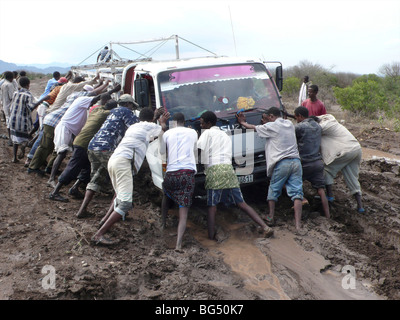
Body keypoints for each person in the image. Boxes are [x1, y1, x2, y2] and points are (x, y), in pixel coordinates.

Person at [91, 107, 170, 245]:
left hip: (114, 160)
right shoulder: (150, 126)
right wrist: (162, 122)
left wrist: (155, 117)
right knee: (126, 203)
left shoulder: (134, 127)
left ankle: (104, 220)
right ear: (152, 119)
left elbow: (149, 136)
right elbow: (162, 131)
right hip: (123, 163)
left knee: (118, 194)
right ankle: (99, 235)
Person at [197, 111, 274, 240]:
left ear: (208, 123)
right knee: (241, 203)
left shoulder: (206, 133)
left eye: (202, 122)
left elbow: (199, 152)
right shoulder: (225, 135)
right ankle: (265, 227)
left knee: (211, 206)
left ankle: (210, 237)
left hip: (214, 170)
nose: (201, 125)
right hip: (228, 169)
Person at [237, 107, 305, 234]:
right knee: (297, 193)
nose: (266, 120)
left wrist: (242, 122)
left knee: (273, 190)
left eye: (267, 117)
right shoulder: (289, 124)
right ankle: (298, 226)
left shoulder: (272, 126)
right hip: (296, 162)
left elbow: (253, 127)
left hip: (282, 163)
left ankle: (270, 216)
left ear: (272, 116)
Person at [75, 94, 139, 218]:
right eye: (132, 106)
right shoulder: (126, 111)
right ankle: (112, 216)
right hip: (106, 148)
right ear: (128, 104)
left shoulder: (112, 112)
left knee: (95, 179)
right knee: (122, 180)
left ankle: (82, 210)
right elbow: (137, 127)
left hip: (93, 146)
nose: (132, 109)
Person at [48, 93, 120, 202]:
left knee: (87, 167)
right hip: (84, 143)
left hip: (84, 142)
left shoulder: (96, 110)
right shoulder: (106, 114)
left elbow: (100, 103)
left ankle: (75, 187)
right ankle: (55, 192)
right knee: (73, 167)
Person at [27, 83, 100, 176]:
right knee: (46, 146)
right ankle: (33, 167)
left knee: (55, 147)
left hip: (53, 120)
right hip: (54, 121)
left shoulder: (73, 95)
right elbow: (94, 94)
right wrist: (106, 86)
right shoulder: (81, 97)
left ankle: (48, 167)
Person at [160, 112, 198, 251]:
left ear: (174, 122)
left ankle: (163, 223)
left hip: (171, 172)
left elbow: (162, 151)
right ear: (184, 121)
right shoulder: (192, 132)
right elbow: (194, 149)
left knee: (166, 194)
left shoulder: (167, 133)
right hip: (187, 173)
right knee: (184, 210)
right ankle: (178, 244)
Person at [315, 114, 365, 213]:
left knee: (327, 170)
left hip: (346, 151)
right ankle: (360, 206)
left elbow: (312, 129)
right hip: (356, 149)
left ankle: (329, 196)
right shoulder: (333, 122)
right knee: (352, 177)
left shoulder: (325, 126)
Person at [24, 77, 69, 167]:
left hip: (44, 108)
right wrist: (35, 105)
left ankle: (38, 157)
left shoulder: (56, 87)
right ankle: (30, 158)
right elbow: (48, 97)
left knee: (42, 134)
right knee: (42, 135)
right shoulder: (60, 89)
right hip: (45, 109)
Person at [294, 106, 330, 219]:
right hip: (318, 162)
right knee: (321, 190)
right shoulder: (317, 126)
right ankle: (328, 216)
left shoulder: (299, 127)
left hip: (304, 163)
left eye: (296, 117)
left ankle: (302, 206)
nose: (296, 120)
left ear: (300, 116)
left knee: (293, 184)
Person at [8, 77, 38, 163]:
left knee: (15, 139)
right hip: (23, 122)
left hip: (13, 120)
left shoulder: (15, 93)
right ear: (28, 84)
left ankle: (14, 158)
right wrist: (41, 100)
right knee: (25, 138)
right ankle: (23, 147)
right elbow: (31, 107)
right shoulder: (28, 95)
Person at [1, 71, 18, 146]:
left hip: (5, 105)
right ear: (11, 78)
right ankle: (12, 139)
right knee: (11, 122)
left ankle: (11, 139)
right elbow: (12, 97)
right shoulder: (10, 85)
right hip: (10, 106)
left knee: (8, 121)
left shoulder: (3, 84)